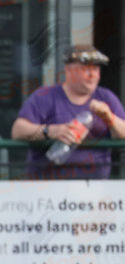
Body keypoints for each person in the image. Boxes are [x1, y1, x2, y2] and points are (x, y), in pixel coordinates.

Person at [12, 45, 125, 179]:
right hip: (47, 187)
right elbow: (18, 131)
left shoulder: (106, 97)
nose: (92, 74)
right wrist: (50, 131)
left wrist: (109, 118)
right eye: (85, 68)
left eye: (96, 69)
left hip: (94, 189)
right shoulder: (45, 96)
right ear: (68, 70)